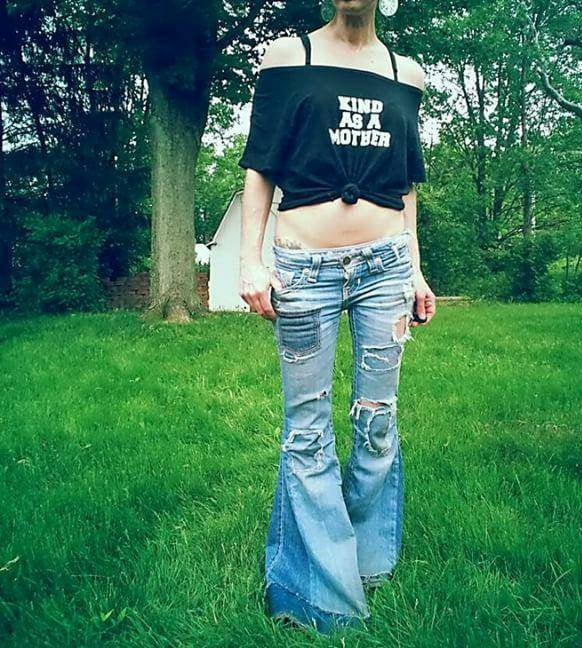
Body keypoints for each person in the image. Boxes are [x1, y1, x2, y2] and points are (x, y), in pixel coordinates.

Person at [237, 0, 436, 635]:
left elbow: (406, 186)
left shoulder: (406, 73)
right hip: (303, 268)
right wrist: (250, 261)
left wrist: (415, 270)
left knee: (377, 422)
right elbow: (260, 167)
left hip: (385, 267)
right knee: (307, 430)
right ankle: (321, 590)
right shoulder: (288, 56)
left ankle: (367, 562)